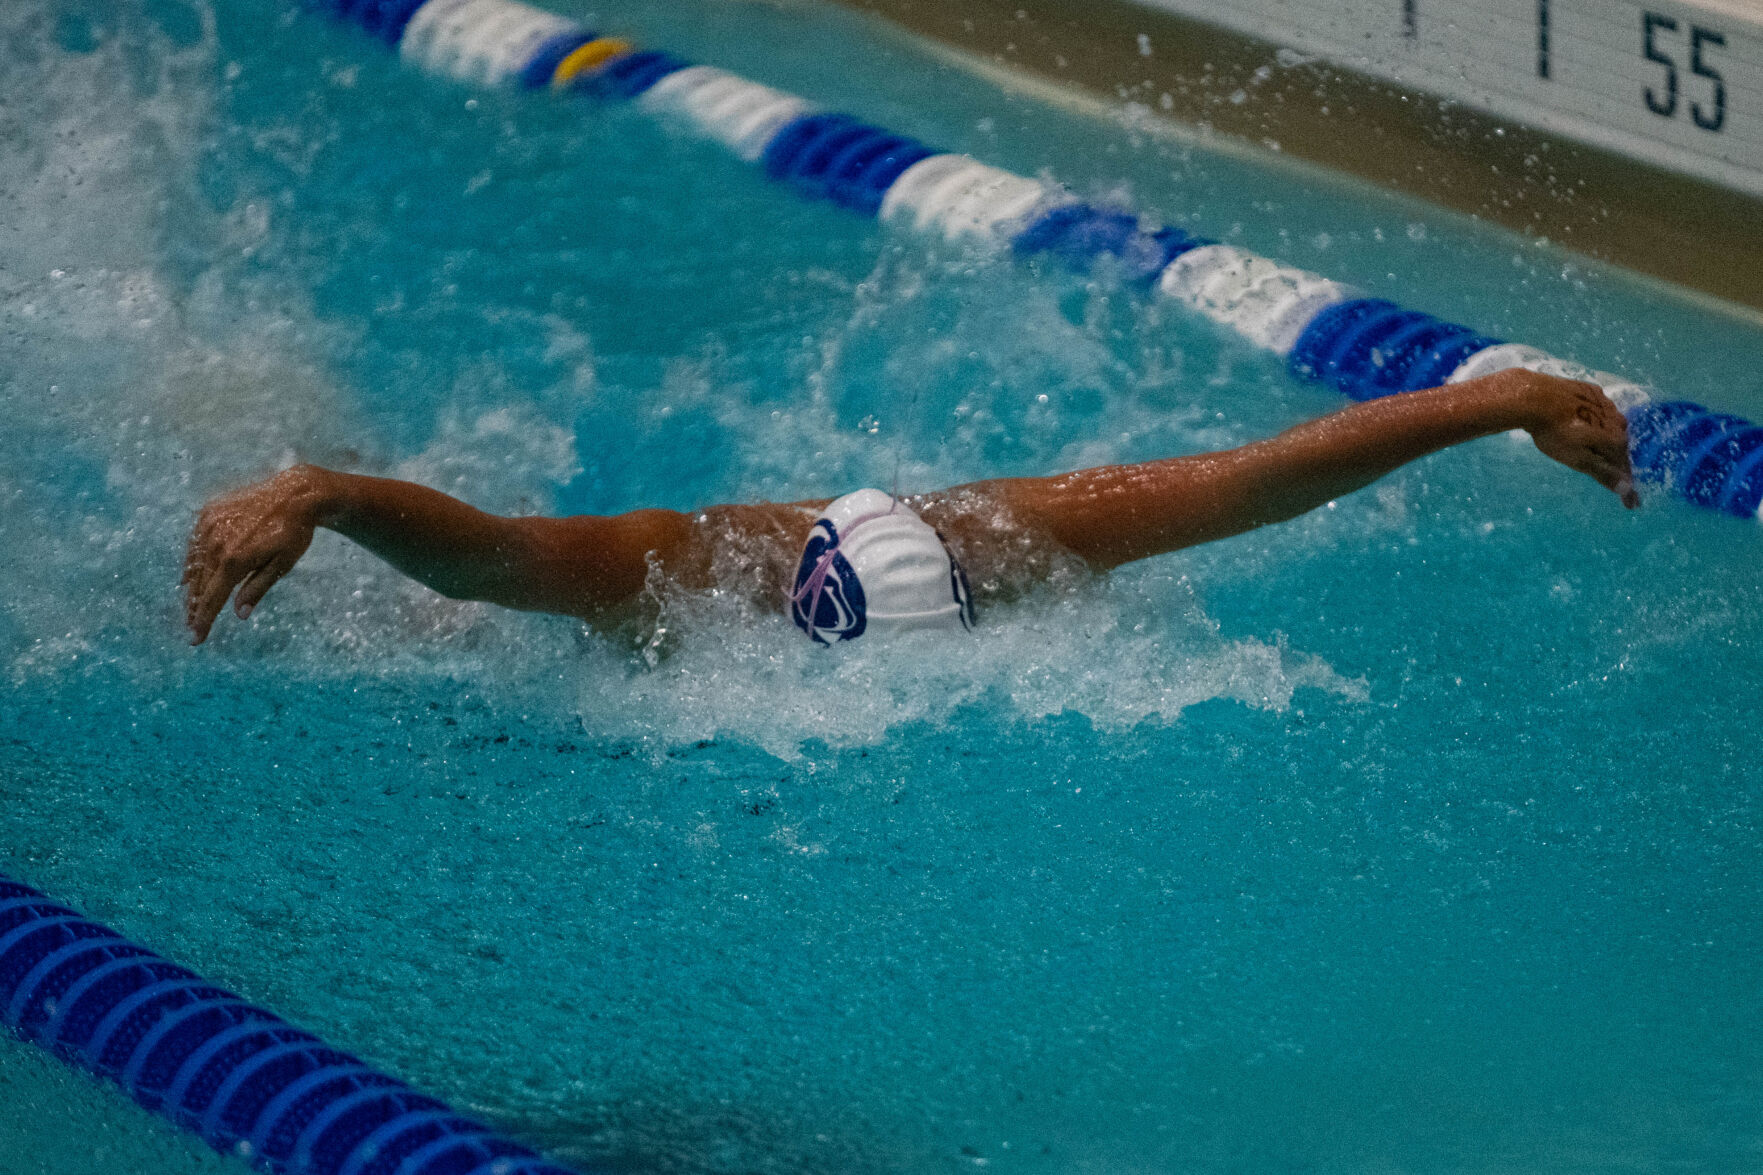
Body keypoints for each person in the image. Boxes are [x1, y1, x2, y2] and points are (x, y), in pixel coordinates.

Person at [182, 369, 1636, 646]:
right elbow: (494, 562)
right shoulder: (670, 574)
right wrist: (324, 494)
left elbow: (1248, 481)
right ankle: (273, 428)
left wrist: (1496, 401)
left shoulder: (993, 537)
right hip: (442, 623)